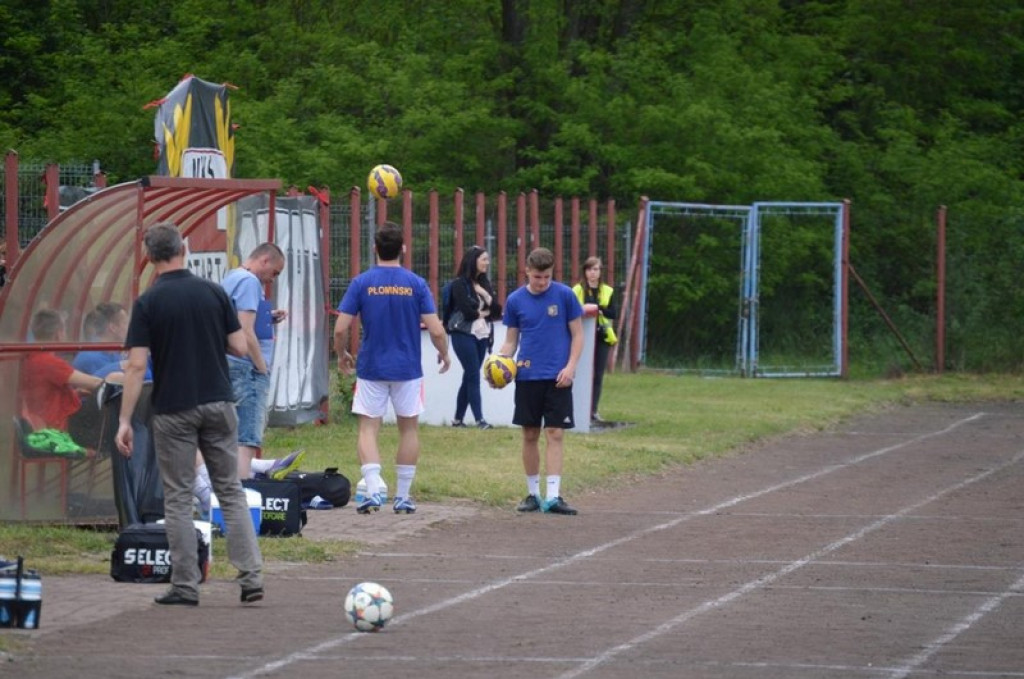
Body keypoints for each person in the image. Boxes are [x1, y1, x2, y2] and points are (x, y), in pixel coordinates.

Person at [115, 222, 263, 607]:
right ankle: (251, 577)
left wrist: (125, 420)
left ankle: (185, 585)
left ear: (149, 257)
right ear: (183, 249)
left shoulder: (148, 303)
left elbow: (136, 366)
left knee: (179, 496)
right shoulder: (214, 292)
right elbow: (239, 347)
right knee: (229, 490)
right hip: (219, 403)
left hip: (174, 408)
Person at [333, 221, 451, 515]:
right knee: (408, 429)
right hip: (407, 368)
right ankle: (403, 497)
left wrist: (341, 353)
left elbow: (340, 328)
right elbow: (436, 329)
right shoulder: (416, 283)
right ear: (403, 249)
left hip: (372, 367)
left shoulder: (361, 282)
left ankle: (373, 489)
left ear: (375, 248)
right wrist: (444, 353)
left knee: (368, 428)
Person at [498, 247, 584, 515]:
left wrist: (570, 367)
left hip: (558, 376)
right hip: (527, 376)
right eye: (537, 277)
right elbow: (510, 341)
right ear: (527, 271)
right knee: (530, 434)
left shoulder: (565, 295)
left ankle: (554, 497)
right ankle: (533, 494)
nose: (542, 282)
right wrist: (499, 366)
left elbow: (578, 335)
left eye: (547, 277)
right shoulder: (515, 300)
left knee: (555, 433)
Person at [220, 242, 287, 480]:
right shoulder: (250, 282)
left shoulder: (232, 277)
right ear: (264, 260)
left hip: (229, 363)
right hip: (246, 368)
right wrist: (261, 367)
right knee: (246, 436)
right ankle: (243, 490)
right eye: (274, 273)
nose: (272, 280)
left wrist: (267, 317)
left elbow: (234, 320)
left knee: (230, 434)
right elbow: (246, 331)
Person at [20, 309, 119, 431]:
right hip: (63, 423)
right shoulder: (49, 362)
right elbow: (94, 383)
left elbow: (47, 394)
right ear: (58, 334)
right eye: (64, 330)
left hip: (49, 418)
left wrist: (76, 393)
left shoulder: (30, 357)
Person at [448, 245, 502, 429]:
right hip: (463, 333)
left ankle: (457, 420)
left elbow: (497, 310)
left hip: (482, 334)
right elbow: (468, 312)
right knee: (473, 375)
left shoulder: (484, 283)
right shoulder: (459, 284)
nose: (487, 263)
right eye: (484, 259)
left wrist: (484, 293)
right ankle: (480, 420)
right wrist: (485, 311)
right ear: (473, 261)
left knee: (469, 376)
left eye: (487, 259)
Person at [571, 256, 618, 423]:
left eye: (596, 269)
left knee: (597, 375)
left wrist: (599, 309)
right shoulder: (577, 290)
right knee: (580, 372)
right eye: (590, 269)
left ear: (600, 272)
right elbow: (571, 310)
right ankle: (577, 407)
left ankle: (593, 410)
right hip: (582, 335)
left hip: (601, 336)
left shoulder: (607, 291)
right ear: (585, 271)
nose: (593, 273)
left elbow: (613, 313)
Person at [73, 302, 130, 377]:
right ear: (113, 327)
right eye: (125, 323)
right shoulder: (91, 357)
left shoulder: (112, 353)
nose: (130, 327)